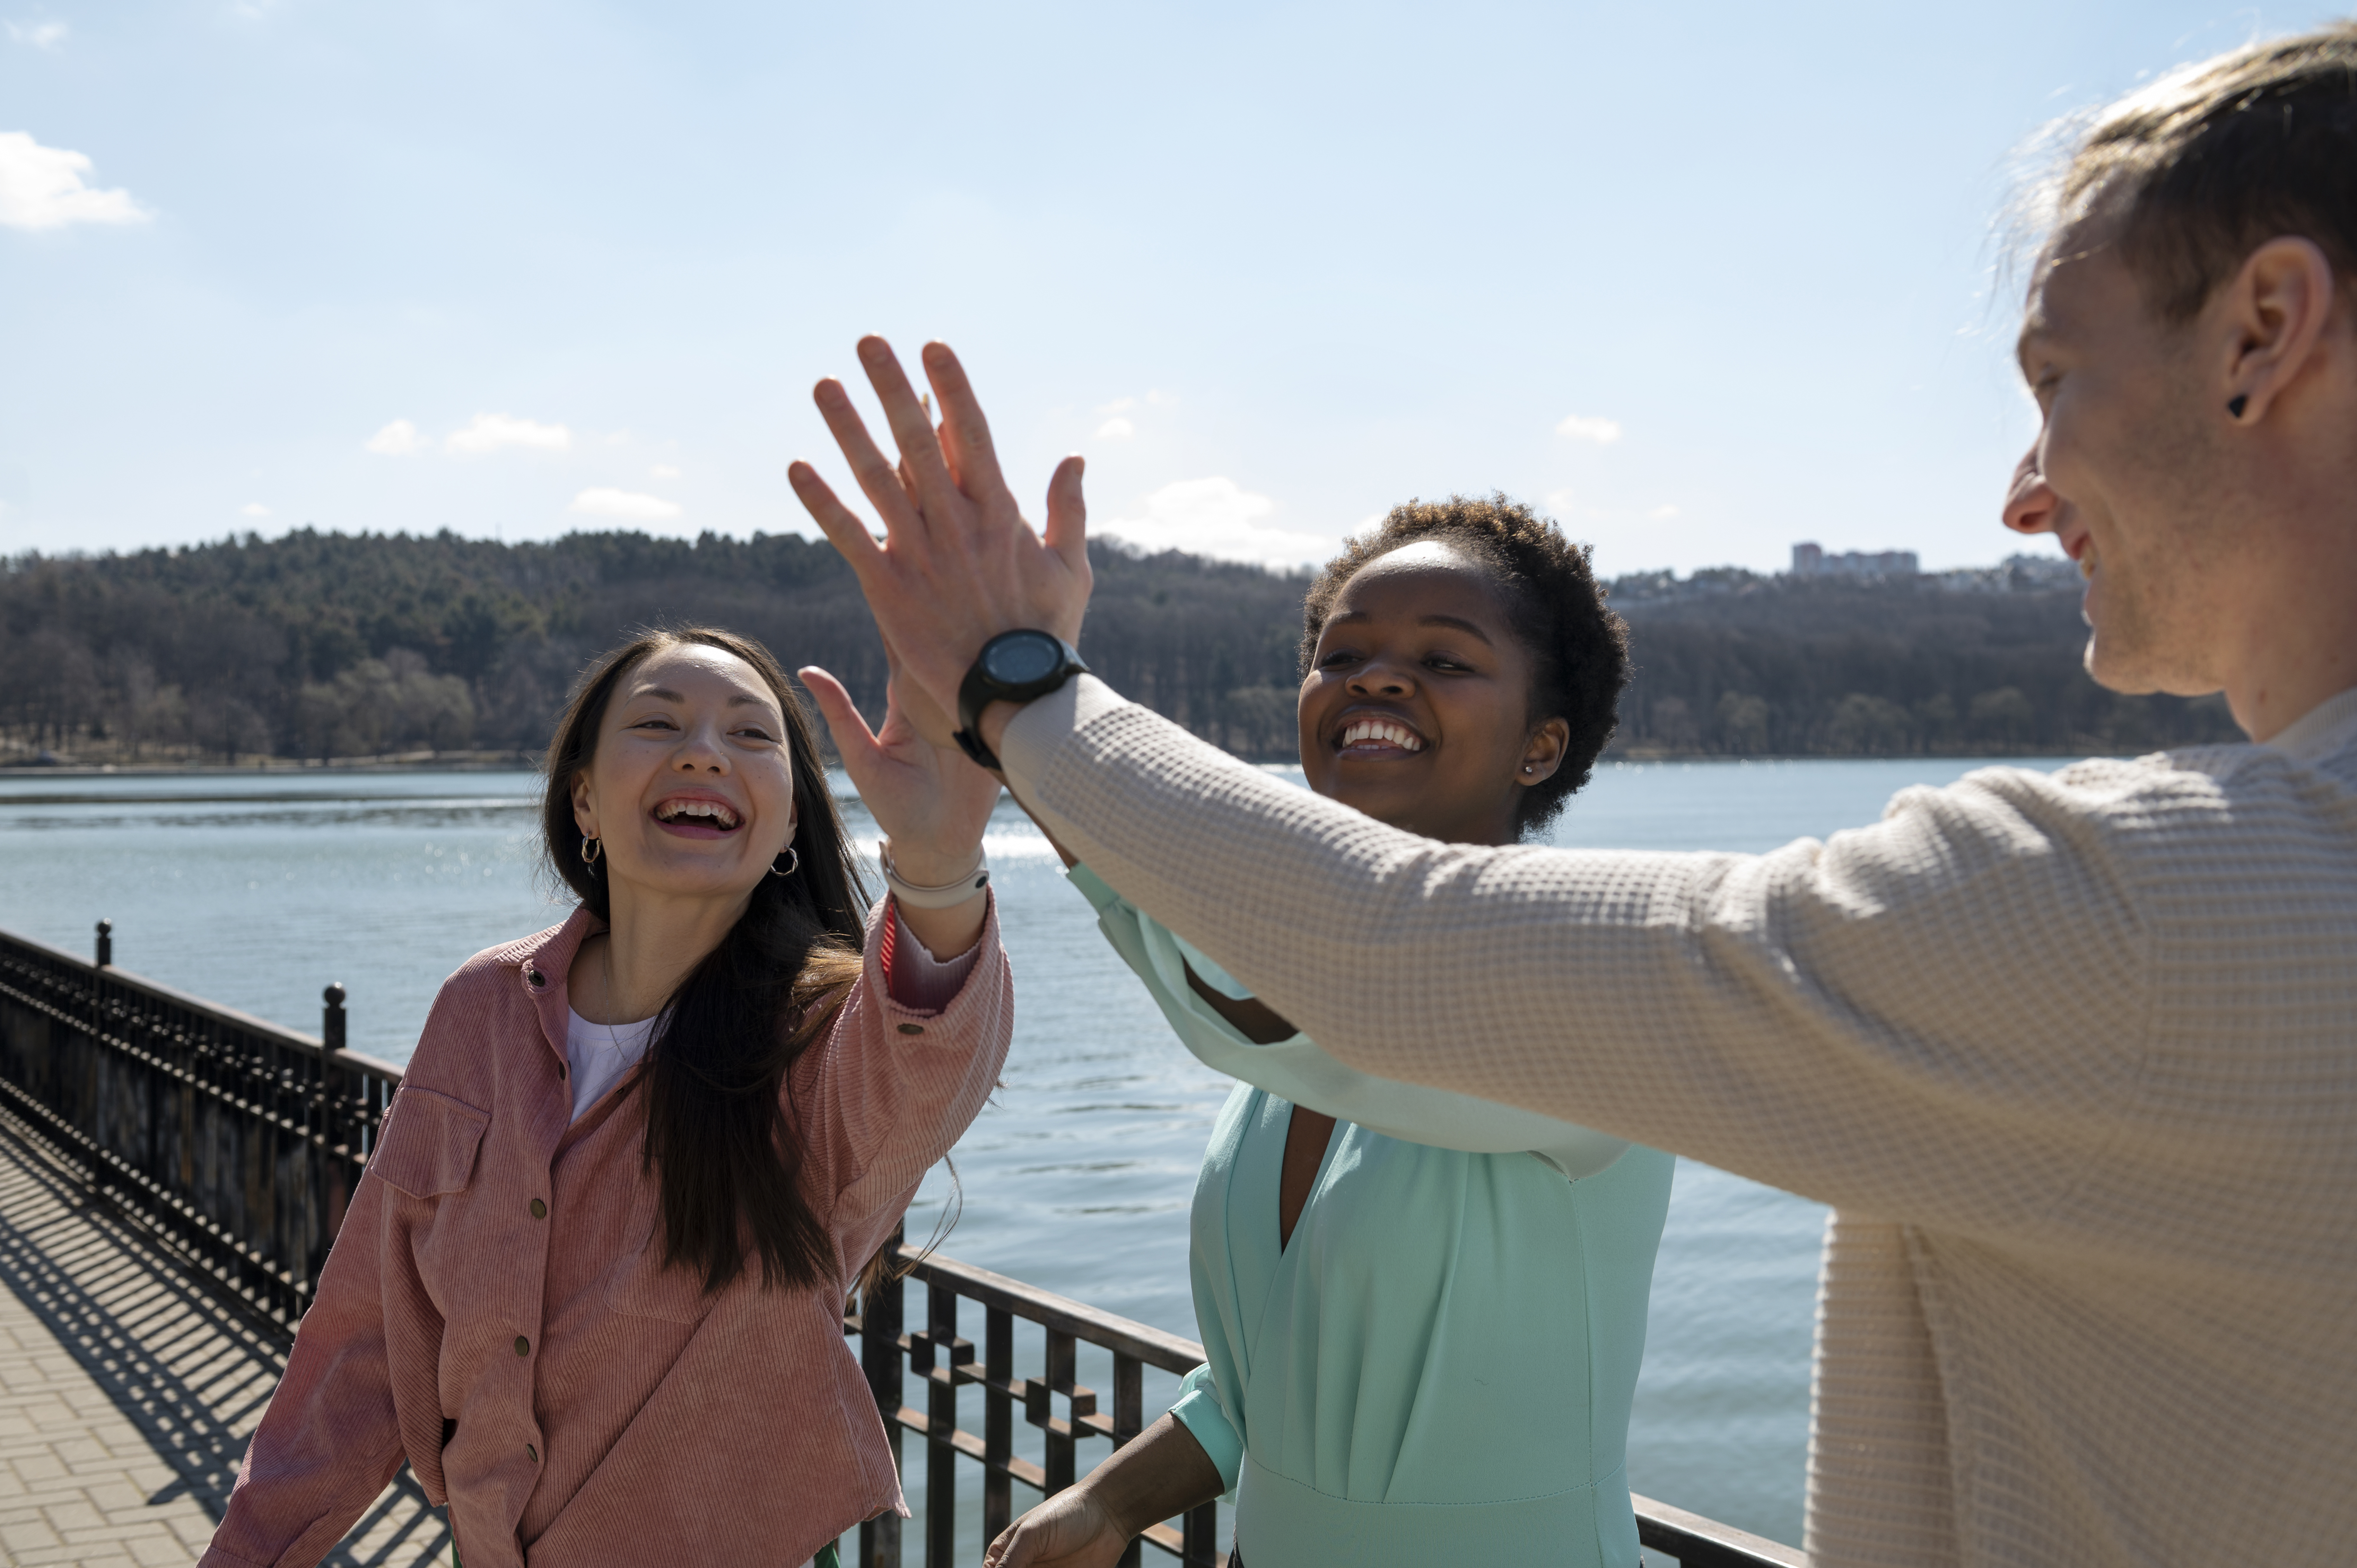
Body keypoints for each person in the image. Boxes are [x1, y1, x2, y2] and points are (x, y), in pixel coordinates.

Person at [787, 25, 2357, 1566]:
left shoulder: (2177, 916)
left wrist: (1025, 694)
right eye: (1344, 650)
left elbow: (1378, 958)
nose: (2021, 490)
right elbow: (1334, 979)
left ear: (2265, 330)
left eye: (2056, 374)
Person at [199, 628, 1011, 1568]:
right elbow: (368, 1338)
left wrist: (941, 868)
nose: (702, 749)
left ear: (789, 821)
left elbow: (930, 1057)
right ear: (584, 795)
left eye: (752, 735)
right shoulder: (484, 1008)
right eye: (658, 721)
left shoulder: (825, 1038)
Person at [984, 499, 1674, 1568]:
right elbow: (1261, 1383)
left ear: (1543, 745)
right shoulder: (1271, 1074)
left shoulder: (1596, 986)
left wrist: (1029, 705)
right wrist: (1111, 1502)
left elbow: (1266, 989)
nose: (1376, 678)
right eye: (1341, 652)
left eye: (1445, 658)